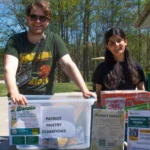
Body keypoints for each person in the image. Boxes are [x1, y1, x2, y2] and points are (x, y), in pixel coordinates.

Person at [3, 0, 95, 105]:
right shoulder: (15, 41)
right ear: (27, 18)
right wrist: (14, 92)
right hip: (20, 99)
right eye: (33, 16)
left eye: (42, 18)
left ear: (48, 21)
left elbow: (67, 64)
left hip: (45, 98)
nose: (38, 21)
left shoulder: (54, 39)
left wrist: (84, 89)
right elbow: (9, 68)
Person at [92, 27, 145, 105]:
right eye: (112, 43)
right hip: (108, 114)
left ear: (125, 42)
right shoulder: (101, 68)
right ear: (107, 47)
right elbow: (97, 95)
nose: (116, 45)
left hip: (130, 112)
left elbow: (142, 93)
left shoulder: (136, 67)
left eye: (119, 40)